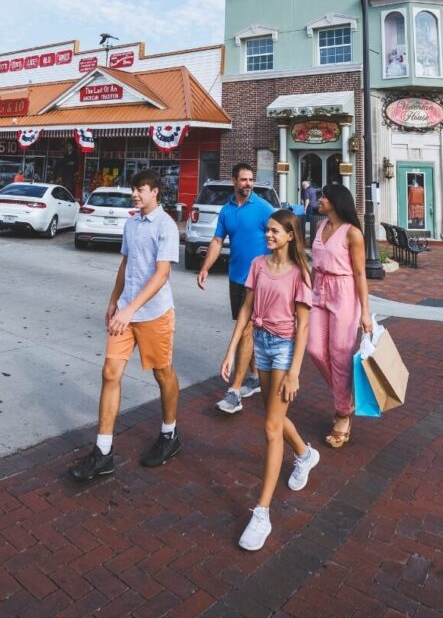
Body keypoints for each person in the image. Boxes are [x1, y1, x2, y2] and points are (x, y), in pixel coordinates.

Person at [68, 169, 182, 482]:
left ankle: (169, 435)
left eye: (141, 189)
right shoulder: (131, 223)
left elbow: (161, 275)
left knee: (163, 374)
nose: (135, 194)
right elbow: (126, 264)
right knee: (110, 372)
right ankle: (103, 452)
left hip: (154, 314)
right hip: (126, 313)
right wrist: (113, 302)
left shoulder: (166, 226)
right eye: (134, 189)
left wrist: (130, 309)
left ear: (155, 191)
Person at [220, 210, 316, 551]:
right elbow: (246, 310)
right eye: (268, 230)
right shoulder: (259, 265)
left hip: (285, 349)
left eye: (275, 231)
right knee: (273, 418)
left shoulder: (299, 273)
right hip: (260, 343)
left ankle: (262, 513)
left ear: (290, 235)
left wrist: (295, 372)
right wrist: (231, 352)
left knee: (271, 428)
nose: (269, 235)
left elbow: (303, 326)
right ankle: (305, 454)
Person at [198, 164, 275, 414]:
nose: (248, 184)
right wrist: (205, 268)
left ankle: (235, 391)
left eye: (251, 180)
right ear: (234, 181)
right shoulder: (227, 211)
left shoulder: (264, 209)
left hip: (259, 281)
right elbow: (218, 241)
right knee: (246, 333)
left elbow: (281, 237)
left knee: (245, 331)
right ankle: (253, 378)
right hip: (236, 278)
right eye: (243, 180)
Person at [307, 183, 373, 449]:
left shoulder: (352, 233)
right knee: (314, 349)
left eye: (324, 196)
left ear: (335, 201)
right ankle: (345, 399)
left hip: (344, 292)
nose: (319, 199)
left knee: (340, 353)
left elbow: (360, 274)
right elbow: (314, 263)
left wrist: (365, 312)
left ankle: (342, 414)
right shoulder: (321, 226)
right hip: (319, 291)